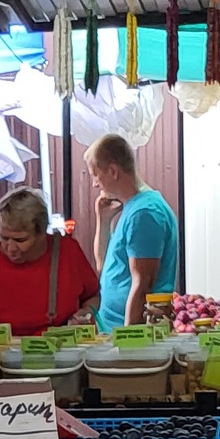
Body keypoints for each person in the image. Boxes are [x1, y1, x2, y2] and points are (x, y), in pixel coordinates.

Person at [0, 188, 100, 336]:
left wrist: (86, 313)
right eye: (4, 238)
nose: (11, 248)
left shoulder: (68, 251)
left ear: (42, 233)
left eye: (20, 240)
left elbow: (93, 297)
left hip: (66, 351)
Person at [87, 134, 179, 328]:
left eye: (96, 175)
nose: (95, 183)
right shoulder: (132, 209)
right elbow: (104, 267)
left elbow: (143, 283)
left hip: (125, 331)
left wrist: (129, 339)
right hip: (111, 328)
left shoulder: (145, 213)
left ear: (113, 171)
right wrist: (103, 221)